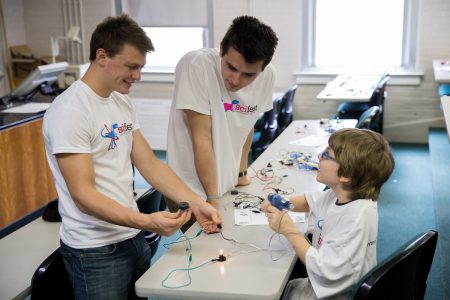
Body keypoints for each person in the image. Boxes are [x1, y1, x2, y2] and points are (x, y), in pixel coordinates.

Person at [43, 14, 221, 300]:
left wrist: (198, 204)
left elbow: (149, 163)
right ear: (101, 56)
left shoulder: (120, 100)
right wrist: (147, 222)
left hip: (132, 239)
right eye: (131, 66)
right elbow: (83, 195)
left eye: (141, 67)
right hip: (96, 251)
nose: (138, 76)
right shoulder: (69, 111)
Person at [166, 15, 279, 225]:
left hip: (225, 185)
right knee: (207, 254)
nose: (236, 80)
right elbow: (202, 139)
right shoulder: (196, 65)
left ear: (262, 70)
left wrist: (241, 174)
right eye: (231, 67)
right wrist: (212, 198)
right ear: (221, 50)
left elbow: (247, 124)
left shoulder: (268, 75)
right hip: (189, 188)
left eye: (248, 75)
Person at [262, 128, 395, 300]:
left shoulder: (355, 220)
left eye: (326, 154)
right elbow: (308, 201)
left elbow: (323, 269)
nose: (319, 157)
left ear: (346, 175)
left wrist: (288, 229)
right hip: (318, 283)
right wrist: (281, 200)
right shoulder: (341, 193)